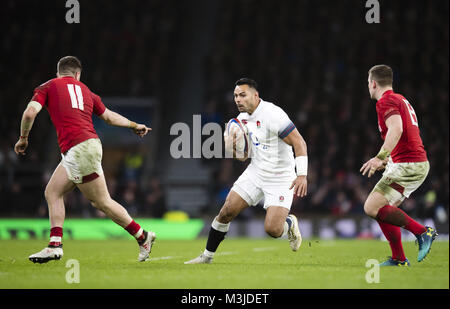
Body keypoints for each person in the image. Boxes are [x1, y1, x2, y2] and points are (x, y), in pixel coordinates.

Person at [14, 56, 156, 263]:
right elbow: (108, 116)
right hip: (88, 146)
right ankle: (142, 236)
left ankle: (56, 245)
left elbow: (29, 113)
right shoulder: (86, 90)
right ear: (77, 74)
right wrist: (134, 125)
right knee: (56, 192)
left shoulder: (47, 87)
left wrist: (23, 139)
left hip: (77, 148)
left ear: (58, 73)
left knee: (100, 202)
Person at [185, 78, 308, 264]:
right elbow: (243, 157)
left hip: (280, 177)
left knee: (273, 230)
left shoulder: (273, 114)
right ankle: (207, 256)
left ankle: (289, 223)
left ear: (255, 95)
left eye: (242, 95)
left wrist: (302, 175)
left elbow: (299, 142)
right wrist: (232, 148)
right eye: (235, 96)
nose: (238, 99)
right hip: (256, 172)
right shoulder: (241, 121)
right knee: (226, 211)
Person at [360, 65, 438, 266]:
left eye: (368, 82)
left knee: (371, 206)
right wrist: (388, 160)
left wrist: (380, 157)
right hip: (410, 161)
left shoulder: (385, 101)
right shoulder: (400, 99)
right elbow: (406, 135)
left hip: (409, 164)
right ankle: (399, 259)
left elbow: (397, 130)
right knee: (382, 209)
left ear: (374, 83)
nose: (368, 86)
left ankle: (423, 232)